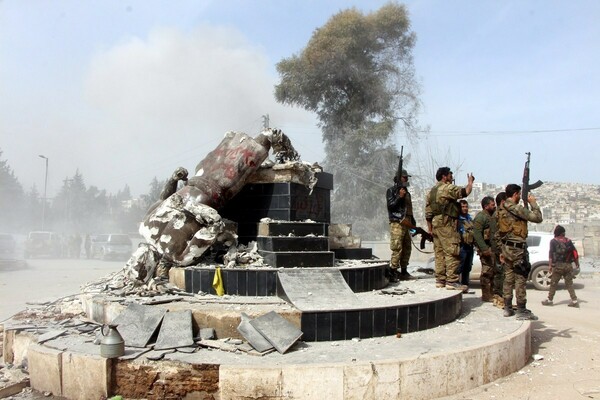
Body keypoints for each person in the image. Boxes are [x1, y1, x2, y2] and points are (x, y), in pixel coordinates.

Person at [497, 183, 543, 320]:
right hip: (517, 248)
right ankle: (521, 309)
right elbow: (538, 218)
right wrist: (533, 203)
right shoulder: (516, 208)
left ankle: (507, 307)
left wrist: (501, 250)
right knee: (520, 277)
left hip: (506, 248)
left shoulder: (501, 209)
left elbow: (498, 231)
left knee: (508, 277)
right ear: (516, 194)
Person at [425, 167, 474, 292]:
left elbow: (428, 213)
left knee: (439, 253)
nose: (451, 176)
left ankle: (440, 279)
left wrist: (430, 229)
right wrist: (470, 182)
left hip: (436, 225)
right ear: (444, 176)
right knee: (452, 251)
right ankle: (452, 281)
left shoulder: (431, 192)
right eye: (450, 174)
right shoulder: (447, 188)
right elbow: (465, 192)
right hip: (447, 224)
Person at [386, 169, 417, 282]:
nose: (406, 179)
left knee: (407, 247)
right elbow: (391, 206)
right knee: (397, 247)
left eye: (407, 177)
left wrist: (413, 223)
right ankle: (393, 271)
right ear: (398, 178)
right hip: (397, 222)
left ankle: (404, 271)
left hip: (407, 222)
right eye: (404, 177)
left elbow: (409, 209)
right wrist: (399, 196)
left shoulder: (407, 192)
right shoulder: (391, 190)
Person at [542, 225, 580, 307]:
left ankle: (550, 300)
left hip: (558, 266)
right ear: (563, 233)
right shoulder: (568, 241)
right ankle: (574, 300)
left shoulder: (553, 241)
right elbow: (575, 253)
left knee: (553, 283)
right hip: (568, 266)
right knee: (569, 284)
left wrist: (550, 266)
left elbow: (551, 254)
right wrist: (577, 264)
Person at [473, 196, 497, 302]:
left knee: (493, 272)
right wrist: (484, 249)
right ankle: (486, 295)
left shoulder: (492, 216)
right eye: (492, 204)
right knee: (487, 272)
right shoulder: (481, 217)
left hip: (493, 248)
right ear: (486, 206)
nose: (494, 206)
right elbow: (477, 234)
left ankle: (492, 293)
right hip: (486, 248)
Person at [457, 200, 475, 288]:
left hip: (469, 245)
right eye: (463, 207)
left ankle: (465, 284)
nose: (465, 208)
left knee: (467, 267)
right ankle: (457, 283)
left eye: (466, 206)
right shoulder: (457, 220)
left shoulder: (469, 218)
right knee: (460, 266)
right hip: (462, 246)